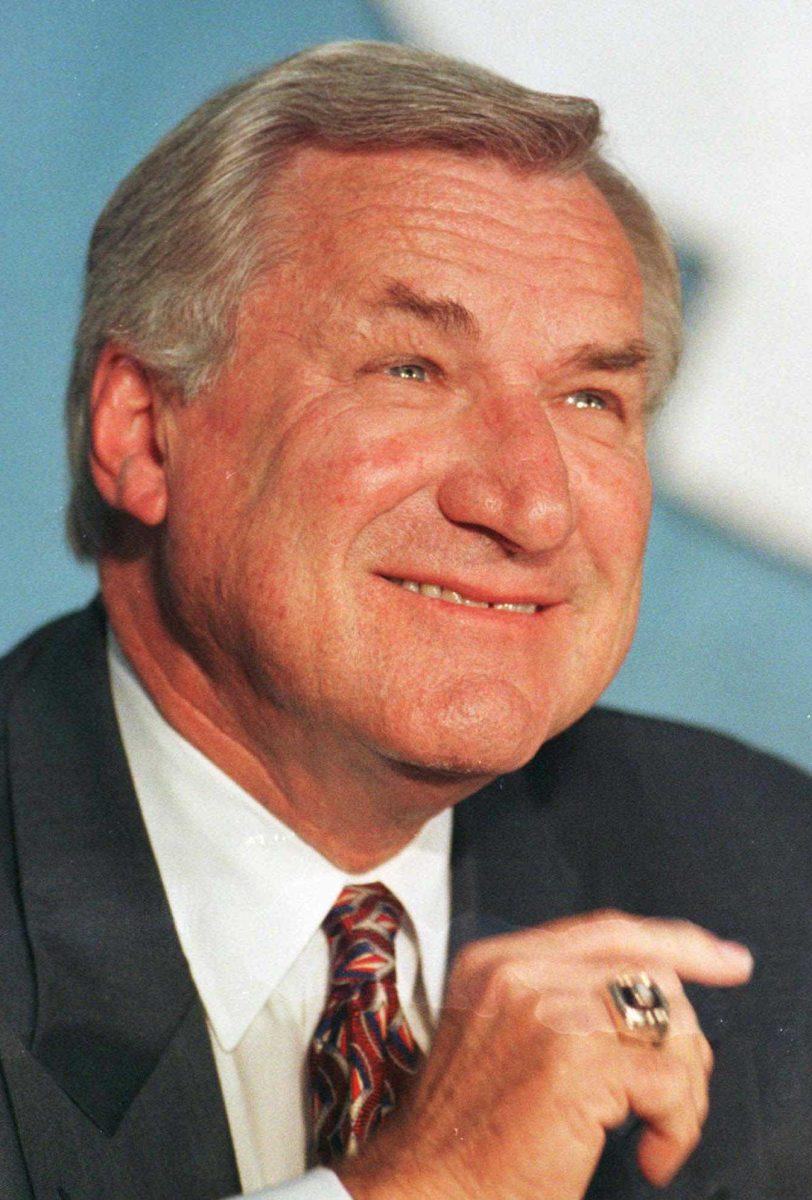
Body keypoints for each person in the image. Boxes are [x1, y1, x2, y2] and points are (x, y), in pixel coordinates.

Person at [0, 40, 808, 1200]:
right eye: (410, 370)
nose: (528, 505)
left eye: (589, 398)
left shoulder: (771, 876)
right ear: (141, 430)